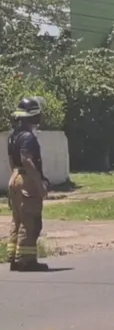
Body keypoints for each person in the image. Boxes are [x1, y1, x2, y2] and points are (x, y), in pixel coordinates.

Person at [6, 97, 49, 271]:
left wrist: (15, 180)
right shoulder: (28, 137)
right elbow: (26, 159)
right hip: (26, 180)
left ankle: (14, 258)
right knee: (30, 220)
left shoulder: (13, 136)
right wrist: (38, 183)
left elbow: (12, 160)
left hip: (15, 177)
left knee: (17, 220)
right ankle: (27, 260)